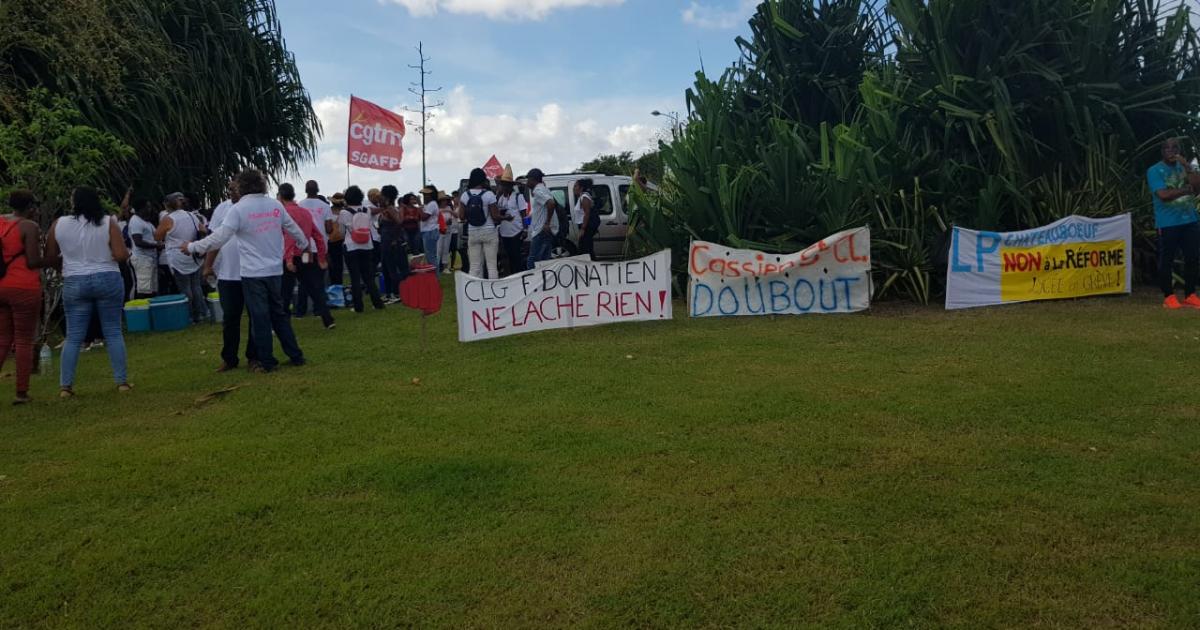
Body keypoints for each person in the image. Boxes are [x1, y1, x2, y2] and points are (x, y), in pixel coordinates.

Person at [184, 169, 309, 373]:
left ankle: (267, 361)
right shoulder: (274, 205)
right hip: (274, 271)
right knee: (278, 314)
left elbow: (219, 238)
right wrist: (303, 244)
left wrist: (192, 247)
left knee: (259, 317)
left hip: (252, 273)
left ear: (241, 186)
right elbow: (293, 229)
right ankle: (296, 356)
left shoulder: (239, 209)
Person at [44, 187, 132, 397]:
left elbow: (49, 256)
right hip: (107, 278)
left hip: (74, 280)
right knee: (112, 331)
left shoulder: (59, 224)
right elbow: (121, 255)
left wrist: (65, 268)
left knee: (74, 336)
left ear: (74, 202)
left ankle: (66, 387)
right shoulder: (108, 221)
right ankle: (122, 382)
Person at [203, 179, 258, 372]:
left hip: (252, 272)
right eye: (229, 190)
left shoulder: (254, 207)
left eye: (234, 189)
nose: (230, 193)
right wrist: (208, 265)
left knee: (255, 316)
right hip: (228, 274)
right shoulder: (222, 209)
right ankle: (229, 359)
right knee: (230, 318)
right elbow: (215, 239)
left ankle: (254, 357)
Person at [0, 190, 47, 405]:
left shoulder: (1, 222)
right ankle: (21, 392)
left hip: (1, 286)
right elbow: (32, 261)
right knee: (23, 340)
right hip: (24, 286)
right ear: (29, 207)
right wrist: (54, 260)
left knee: (2, 340)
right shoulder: (29, 226)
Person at [1149, 137, 1200, 309]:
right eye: (1166, 148)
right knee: (1167, 260)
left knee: (1192, 258)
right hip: (1168, 222)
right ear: (1162, 152)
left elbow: (1197, 187)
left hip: (1190, 220)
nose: (1170, 151)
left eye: (1174, 148)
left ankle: (1190, 294)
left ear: (1179, 150)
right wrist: (1185, 190)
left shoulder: (1185, 168)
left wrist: (1187, 167)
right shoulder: (1155, 170)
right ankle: (1168, 296)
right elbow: (1163, 195)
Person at [278, 183, 335, 330]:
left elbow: (290, 237)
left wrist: (289, 259)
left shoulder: (284, 213)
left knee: (285, 292)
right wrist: (321, 257)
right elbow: (318, 235)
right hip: (306, 254)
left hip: (290, 256)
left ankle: (282, 324)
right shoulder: (305, 212)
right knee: (314, 287)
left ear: (280, 196)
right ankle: (327, 319)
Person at [155, 192, 209, 323]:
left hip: (178, 256)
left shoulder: (168, 219)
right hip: (193, 253)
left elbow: (157, 236)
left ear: (167, 205)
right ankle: (201, 314)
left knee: (185, 288)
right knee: (196, 286)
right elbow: (204, 230)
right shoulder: (192, 216)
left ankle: (188, 315)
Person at [337, 186, 386, 313]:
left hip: (351, 246)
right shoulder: (367, 210)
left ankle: (359, 306)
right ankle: (378, 303)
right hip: (367, 245)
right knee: (368, 276)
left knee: (355, 277)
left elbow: (342, 232)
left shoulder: (344, 212)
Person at [296, 180, 335, 316]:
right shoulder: (324, 206)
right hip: (320, 249)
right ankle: (319, 310)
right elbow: (329, 228)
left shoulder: (299, 205)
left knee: (303, 278)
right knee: (318, 279)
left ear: (306, 190)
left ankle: (300, 310)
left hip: (305, 249)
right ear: (318, 190)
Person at [458, 169, 501, 278]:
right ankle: (493, 291)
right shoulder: (489, 195)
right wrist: (506, 217)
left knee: (475, 266)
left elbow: (461, 216)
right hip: (489, 231)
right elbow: (495, 216)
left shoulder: (465, 195)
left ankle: (475, 291)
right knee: (491, 266)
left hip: (473, 232)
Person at [378, 186, 410, 303]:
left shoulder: (390, 208)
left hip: (390, 240)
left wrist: (394, 239)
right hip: (385, 239)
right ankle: (388, 293)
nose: (379, 197)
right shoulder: (386, 209)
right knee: (385, 268)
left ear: (386, 196)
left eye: (382, 194)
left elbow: (399, 221)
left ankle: (396, 293)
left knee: (391, 268)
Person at [126, 197, 163, 298]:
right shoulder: (135, 221)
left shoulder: (147, 222)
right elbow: (138, 241)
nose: (150, 209)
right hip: (142, 259)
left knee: (153, 289)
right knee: (144, 290)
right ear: (141, 209)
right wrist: (156, 245)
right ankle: (141, 310)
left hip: (151, 259)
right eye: (148, 207)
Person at [496, 165, 527, 275]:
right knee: (507, 257)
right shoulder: (500, 198)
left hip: (516, 232)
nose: (504, 187)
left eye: (507, 185)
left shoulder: (518, 196)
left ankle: (519, 276)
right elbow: (496, 212)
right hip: (504, 233)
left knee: (516, 258)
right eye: (503, 185)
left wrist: (525, 230)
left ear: (511, 186)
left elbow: (524, 215)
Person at [526, 168, 559, 268]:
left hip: (541, 230)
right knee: (544, 261)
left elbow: (551, 203)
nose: (527, 182)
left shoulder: (538, 190)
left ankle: (532, 281)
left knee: (533, 260)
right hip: (545, 230)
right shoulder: (544, 189)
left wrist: (547, 223)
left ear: (533, 179)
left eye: (528, 180)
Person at [573, 178, 599, 260]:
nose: (574, 188)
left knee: (585, 249)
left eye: (576, 186)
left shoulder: (584, 197)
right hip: (584, 226)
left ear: (581, 188)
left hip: (586, 227)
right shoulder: (581, 197)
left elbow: (587, 213)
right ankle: (592, 265)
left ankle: (589, 266)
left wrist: (583, 229)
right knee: (587, 249)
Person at [419, 185, 443, 271]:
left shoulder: (432, 204)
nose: (424, 197)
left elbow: (424, 217)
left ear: (431, 195)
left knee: (431, 257)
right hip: (429, 231)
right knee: (431, 256)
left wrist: (419, 206)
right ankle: (434, 277)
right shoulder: (429, 204)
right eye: (423, 195)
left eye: (426, 195)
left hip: (430, 232)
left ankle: (435, 278)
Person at [327, 192, 347, 292]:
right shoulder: (344, 212)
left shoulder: (328, 211)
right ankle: (338, 286)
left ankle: (333, 287)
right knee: (338, 266)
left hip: (329, 240)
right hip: (340, 241)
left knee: (331, 266)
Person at [437, 192, 457, 273]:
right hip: (439, 232)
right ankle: (437, 267)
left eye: (446, 200)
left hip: (448, 231)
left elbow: (456, 216)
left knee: (446, 249)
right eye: (443, 200)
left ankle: (445, 267)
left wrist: (450, 213)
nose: (445, 202)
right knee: (439, 250)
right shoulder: (437, 209)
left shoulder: (449, 208)